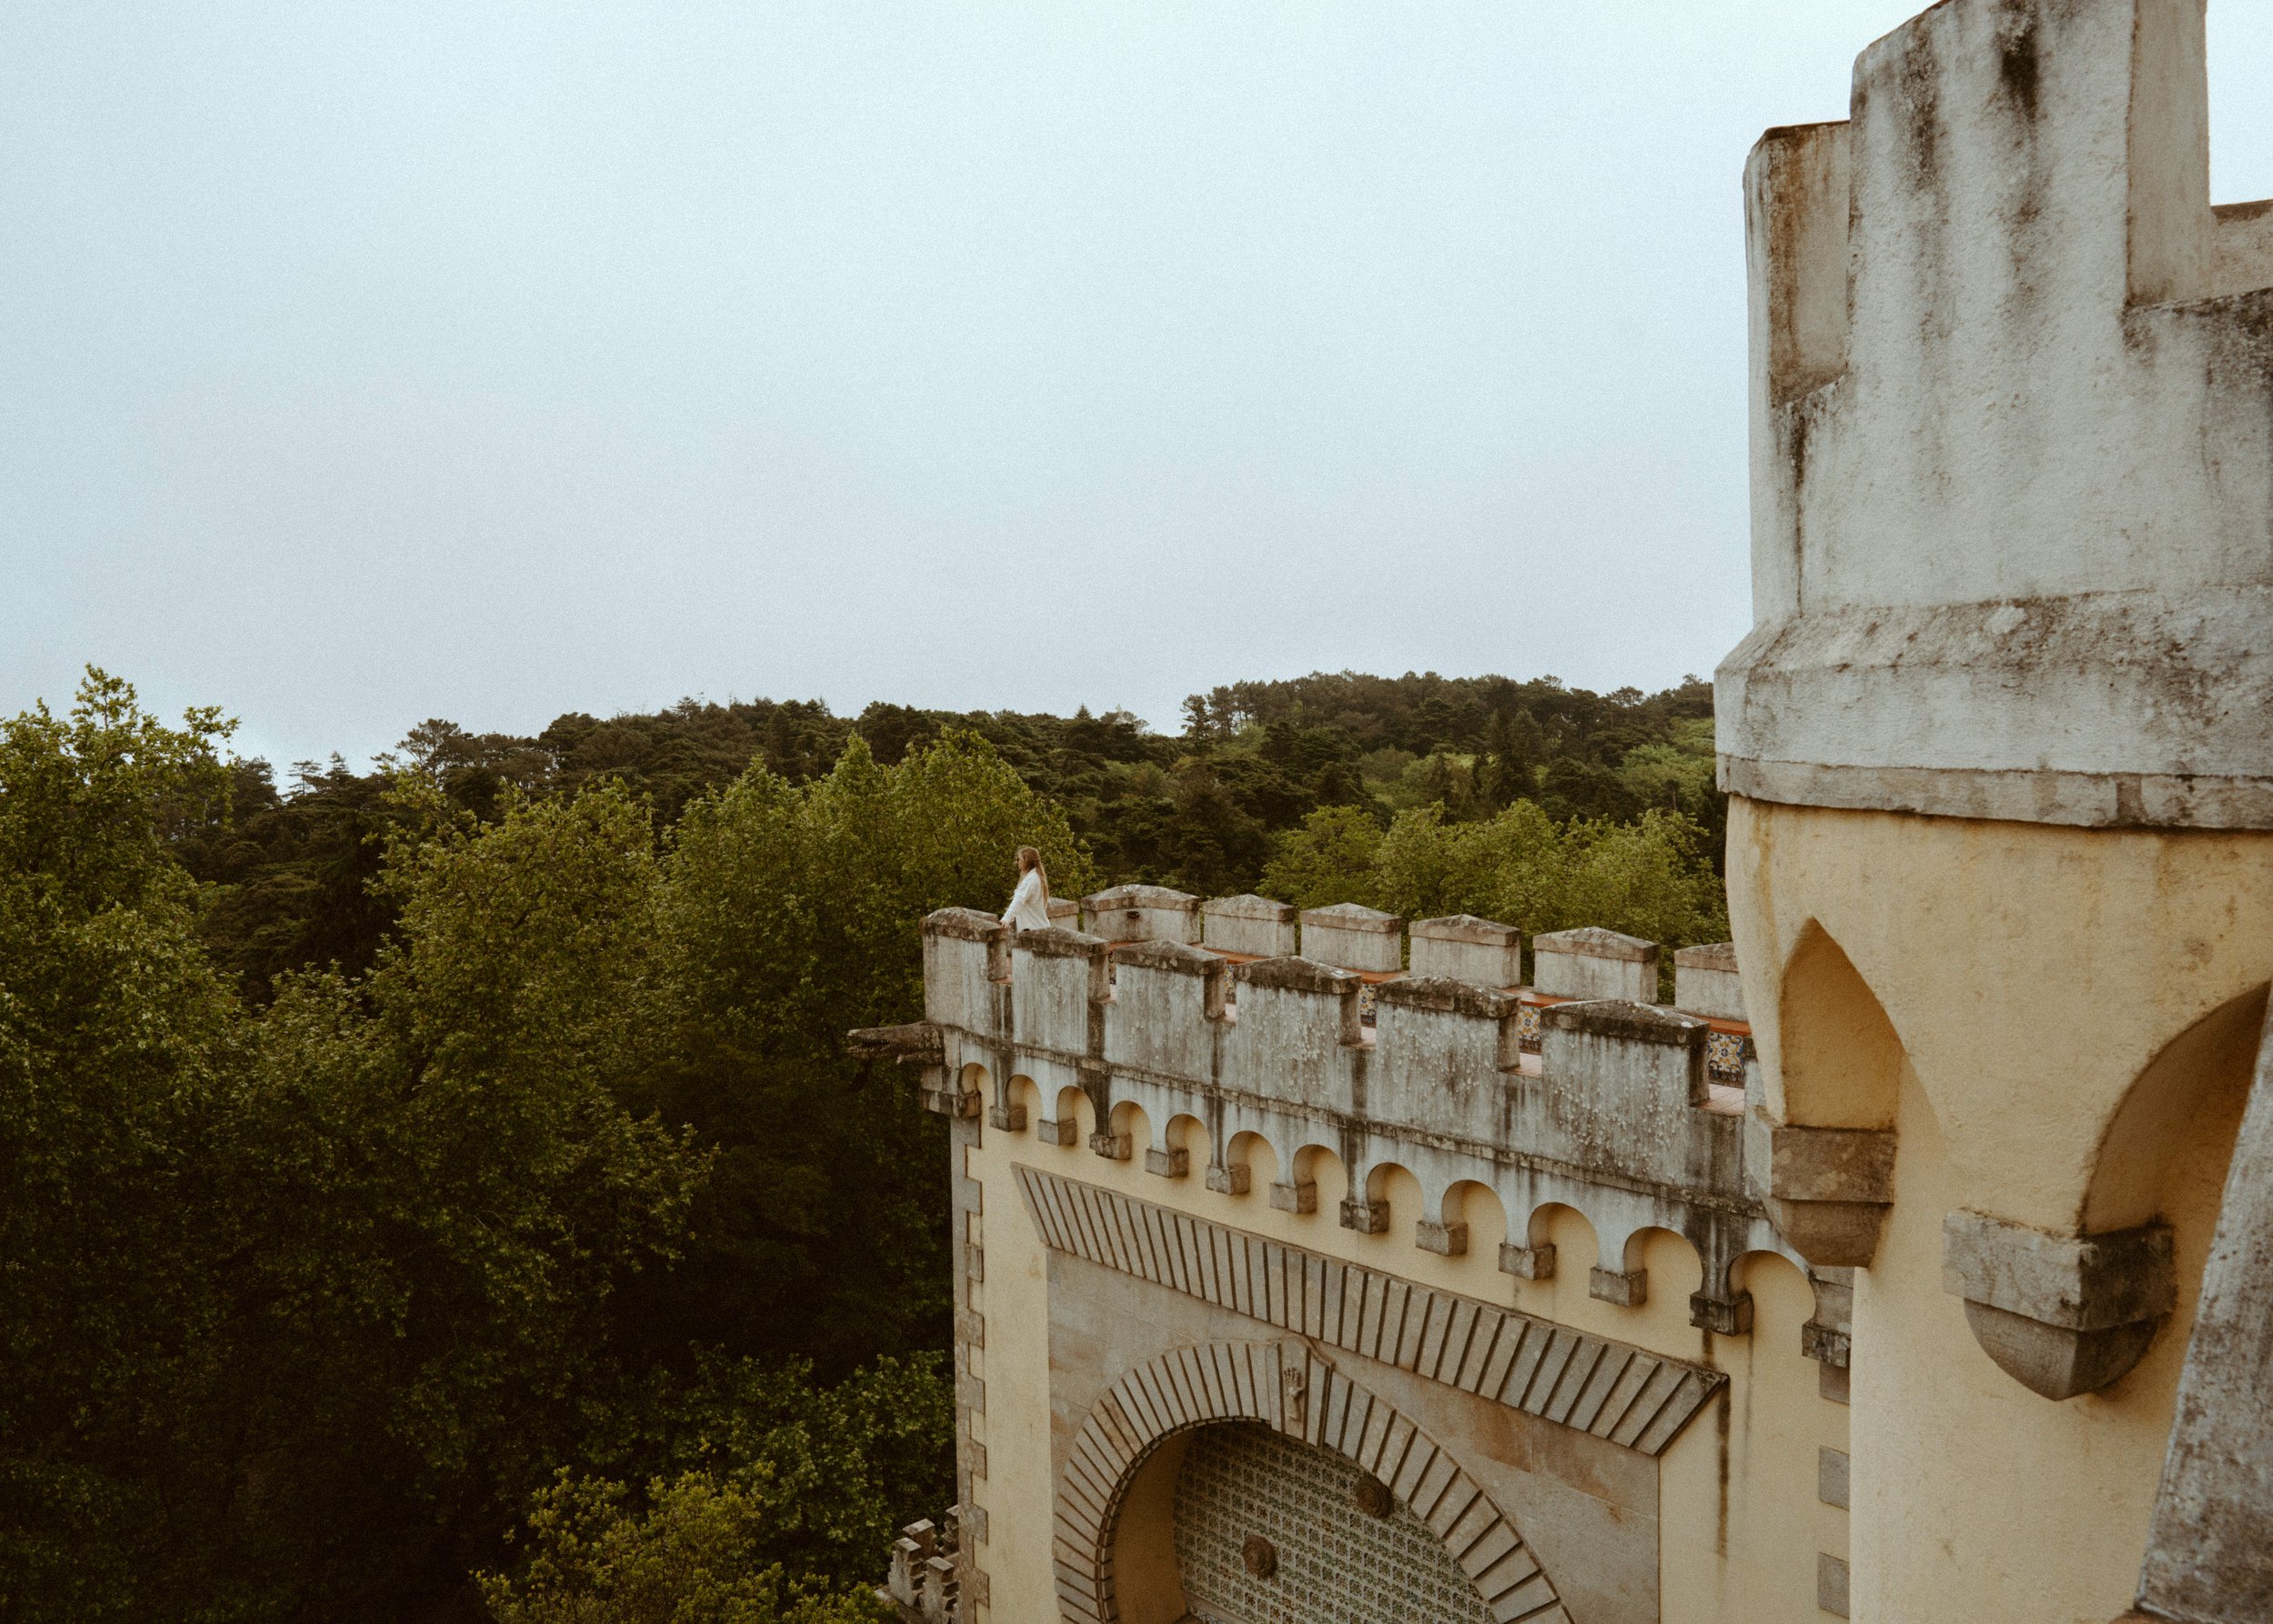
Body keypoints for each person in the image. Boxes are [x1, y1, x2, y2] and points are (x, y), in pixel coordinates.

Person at [1002, 846, 1053, 932]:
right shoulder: (1035, 877)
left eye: (1019, 859)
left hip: (1033, 929)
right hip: (1039, 927)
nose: (1017, 862)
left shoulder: (1030, 880)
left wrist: (1006, 918)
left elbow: (1019, 900)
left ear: (1026, 861)